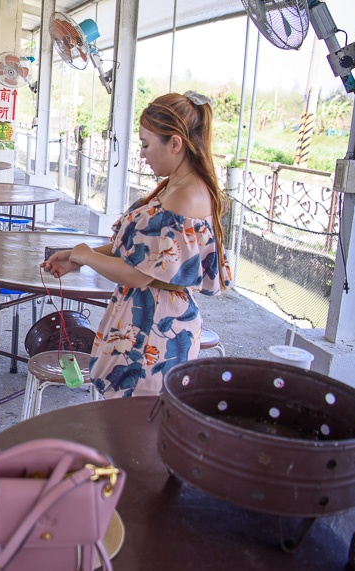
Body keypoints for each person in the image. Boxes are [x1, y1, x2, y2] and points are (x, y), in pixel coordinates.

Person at [43, 92, 231, 399]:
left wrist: (87, 255)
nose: (142, 154)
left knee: (133, 420)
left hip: (155, 328)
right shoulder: (177, 185)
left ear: (175, 143)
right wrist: (78, 257)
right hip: (147, 316)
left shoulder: (183, 196)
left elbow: (138, 274)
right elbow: (145, 253)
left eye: (146, 144)